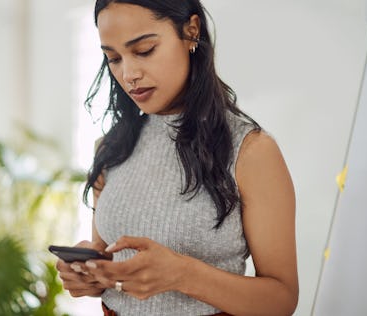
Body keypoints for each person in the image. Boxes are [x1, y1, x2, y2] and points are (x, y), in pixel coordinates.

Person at [56, 0, 298, 315]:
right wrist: (88, 275)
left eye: (144, 50)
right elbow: (108, 258)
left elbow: (281, 300)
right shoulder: (110, 148)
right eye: (113, 58)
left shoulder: (251, 150)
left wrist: (184, 274)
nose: (129, 74)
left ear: (191, 32)